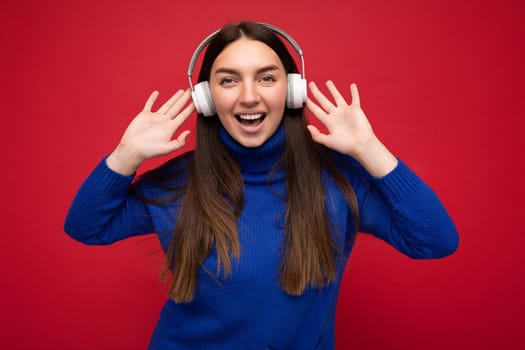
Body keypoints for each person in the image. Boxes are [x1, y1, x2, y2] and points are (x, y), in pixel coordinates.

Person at [64, 21, 459, 349]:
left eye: (266, 78)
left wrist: (369, 149)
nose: (249, 96)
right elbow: (85, 227)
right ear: (206, 98)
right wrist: (125, 155)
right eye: (229, 80)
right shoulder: (177, 183)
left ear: (290, 90)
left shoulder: (340, 180)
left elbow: (436, 240)